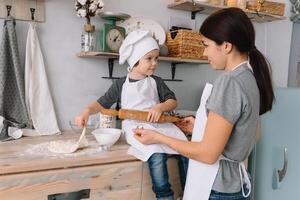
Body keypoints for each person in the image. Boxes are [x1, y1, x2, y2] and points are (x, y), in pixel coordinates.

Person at [133, 8, 274, 200]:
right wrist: (201, 125)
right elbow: (253, 133)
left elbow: (208, 154)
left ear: (226, 46)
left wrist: (158, 138)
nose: (204, 52)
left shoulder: (229, 82)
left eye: (206, 45)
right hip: (236, 187)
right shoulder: (250, 78)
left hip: (218, 190)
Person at [75, 30, 188, 200]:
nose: (154, 63)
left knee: (185, 147)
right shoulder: (120, 84)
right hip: (137, 127)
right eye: (149, 58)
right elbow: (102, 102)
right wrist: (86, 111)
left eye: (156, 58)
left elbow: (173, 101)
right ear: (135, 60)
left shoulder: (156, 81)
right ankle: (164, 195)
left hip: (161, 124)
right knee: (156, 153)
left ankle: (190, 191)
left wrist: (160, 107)